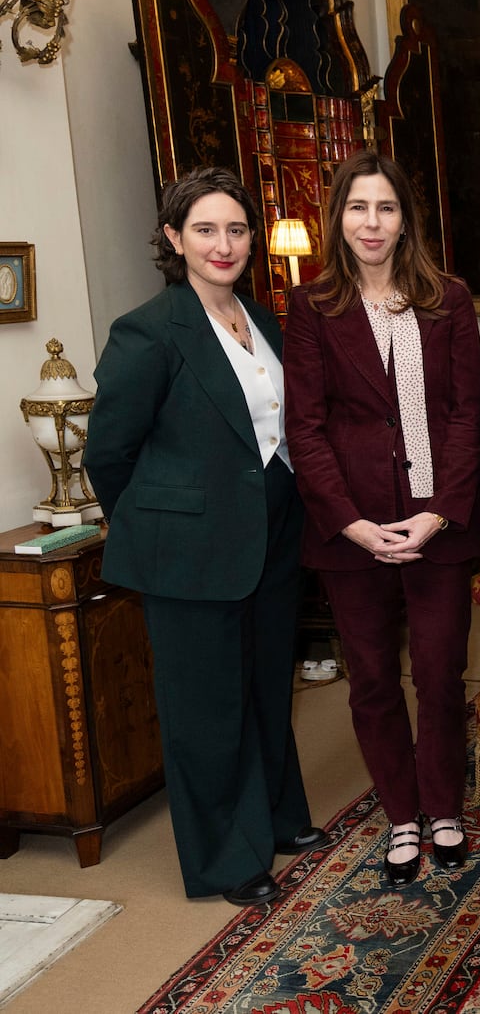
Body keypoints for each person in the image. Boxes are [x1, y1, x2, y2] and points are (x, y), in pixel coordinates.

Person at [85, 167, 328, 907]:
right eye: (205, 229)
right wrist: (167, 523)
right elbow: (108, 452)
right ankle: (227, 858)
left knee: (263, 688)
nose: (223, 244)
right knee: (206, 709)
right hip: (188, 553)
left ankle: (279, 818)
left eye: (235, 229)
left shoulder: (264, 320)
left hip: (271, 537)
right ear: (173, 238)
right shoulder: (150, 330)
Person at [284, 151, 480, 887]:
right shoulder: (312, 308)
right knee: (370, 679)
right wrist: (350, 522)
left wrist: (438, 514)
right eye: (358, 208)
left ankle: (443, 810)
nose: (372, 223)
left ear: (406, 220)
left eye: (386, 208)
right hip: (354, 534)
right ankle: (401, 815)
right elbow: (303, 428)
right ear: (338, 217)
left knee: (438, 674)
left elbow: (468, 414)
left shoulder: (449, 300)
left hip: (440, 525)